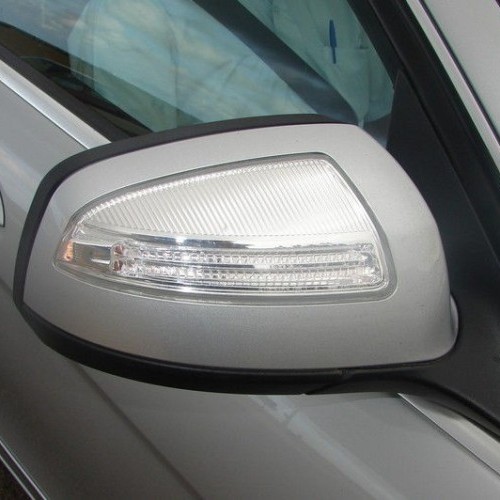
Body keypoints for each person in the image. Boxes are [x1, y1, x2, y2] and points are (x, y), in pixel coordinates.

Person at [69, 0, 393, 131]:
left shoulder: (345, 7)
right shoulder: (126, 16)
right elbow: (141, 161)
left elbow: (388, 119)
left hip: (363, 196)